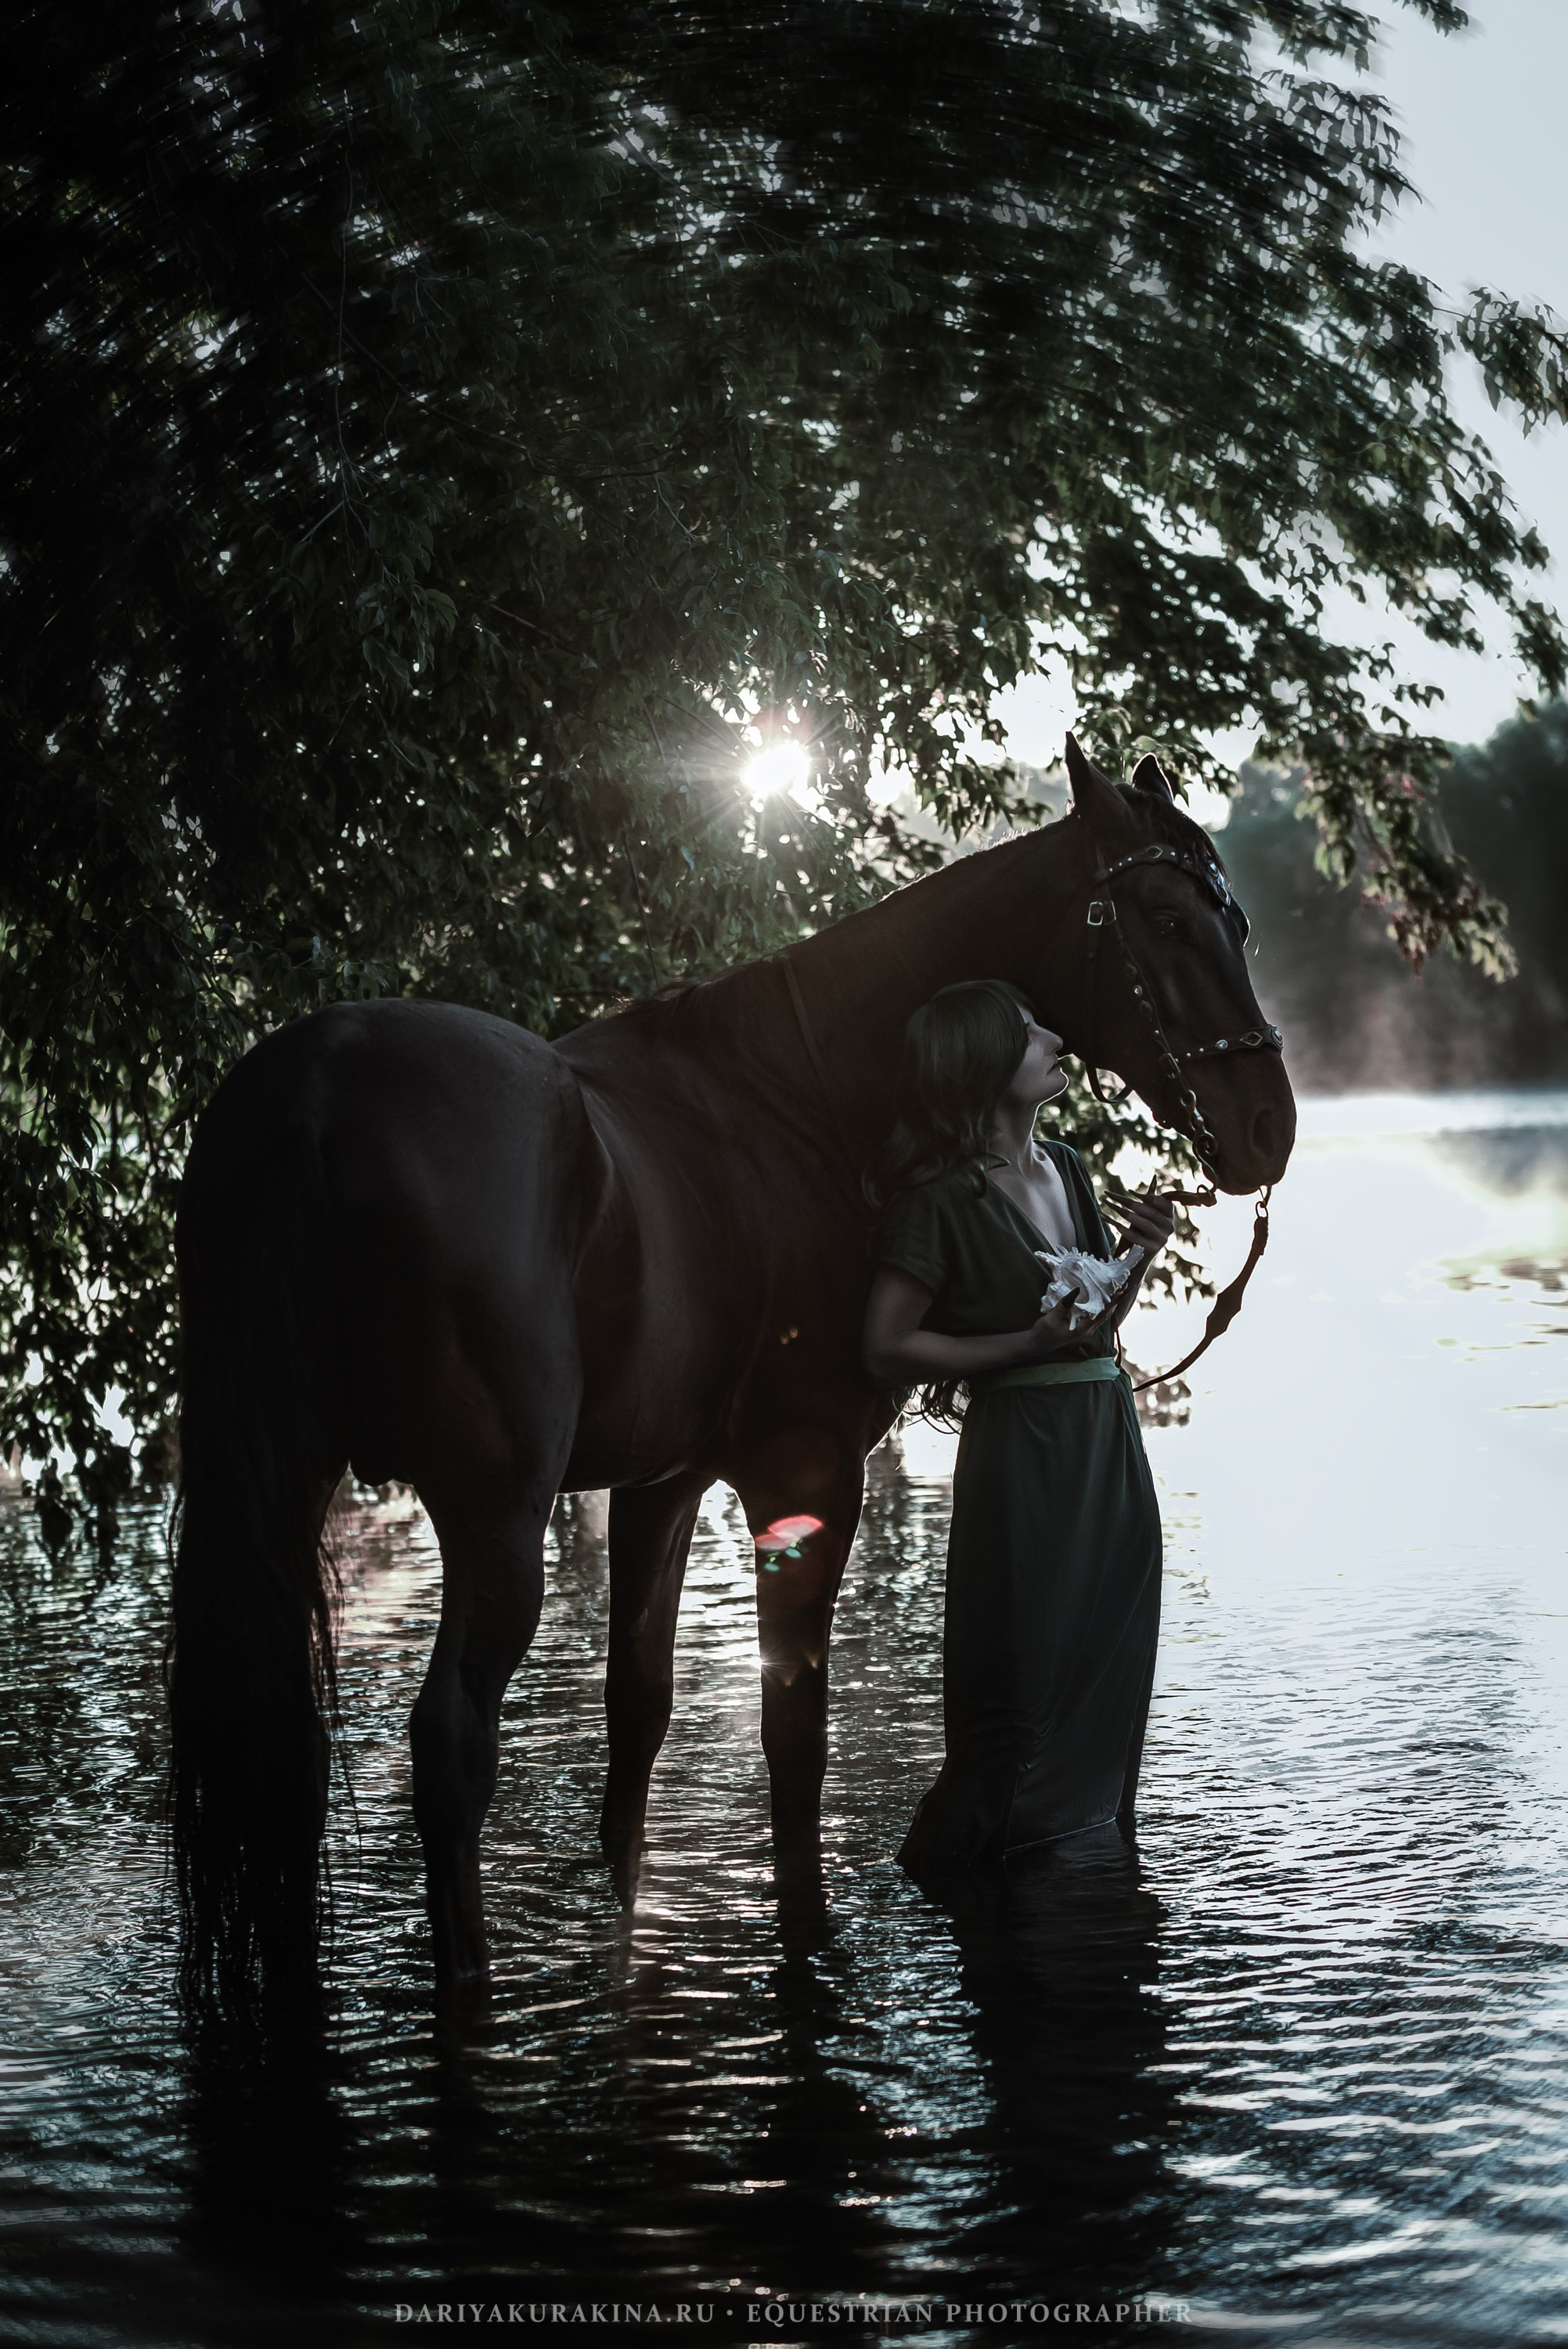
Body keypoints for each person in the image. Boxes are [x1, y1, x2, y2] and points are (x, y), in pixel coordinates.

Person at [861, 980, 1177, 1872]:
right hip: (1023, 1451)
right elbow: (885, 1348)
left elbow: (1095, 1323)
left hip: (1107, 1440)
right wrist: (1020, 1344)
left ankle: (1089, 1858)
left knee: (1108, 1660)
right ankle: (974, 1872)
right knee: (1019, 1684)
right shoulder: (938, 1199)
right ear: (980, 1065)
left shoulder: (1069, 1168)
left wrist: (1139, 1253)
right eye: (1026, 1030)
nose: (1051, 1034)